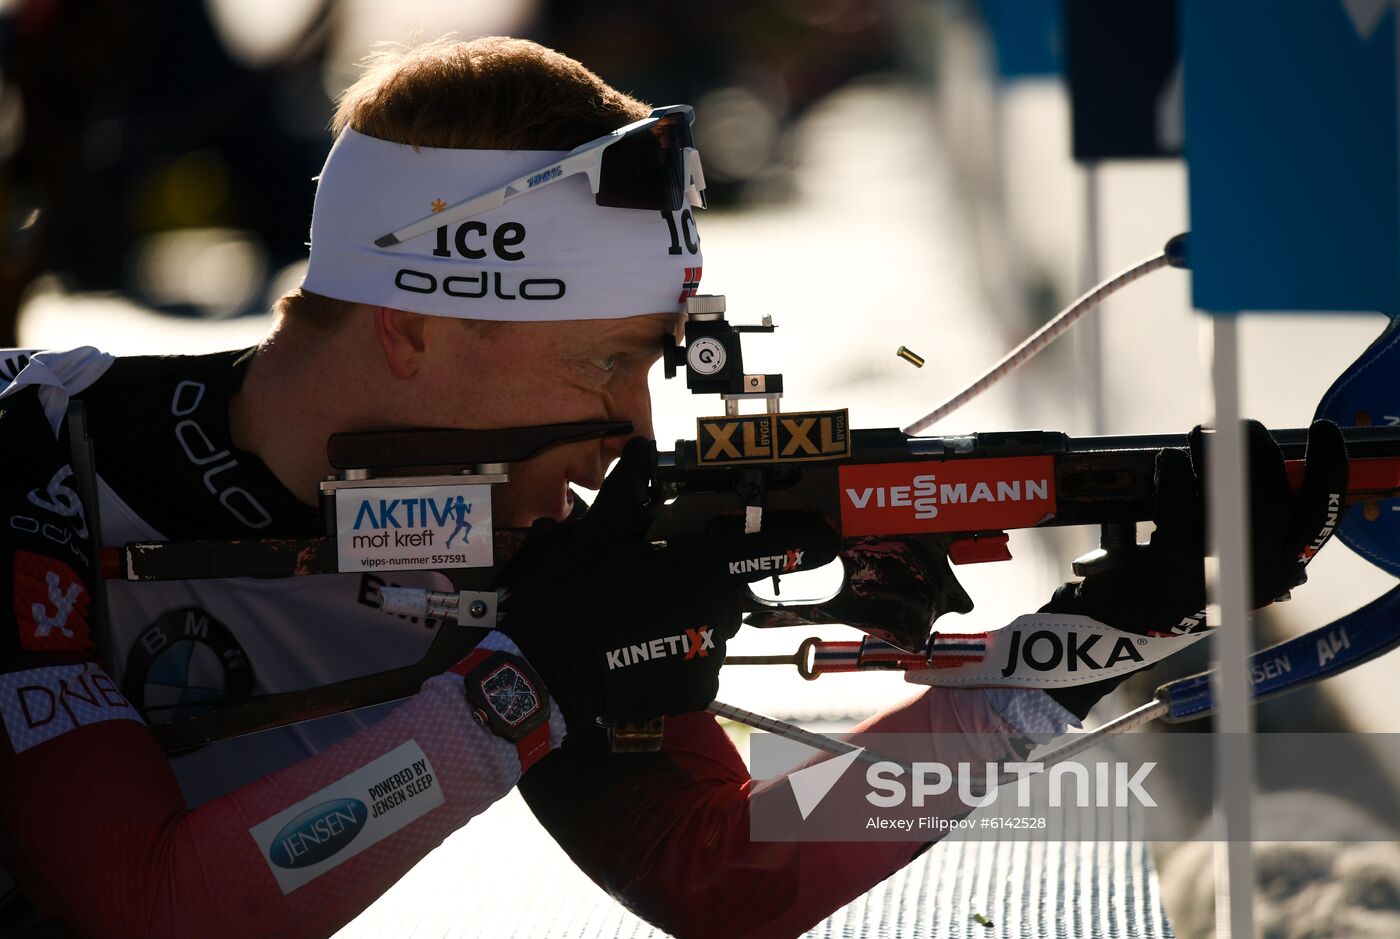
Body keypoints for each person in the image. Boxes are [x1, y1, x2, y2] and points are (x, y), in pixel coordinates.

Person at [0, 36, 1347, 939]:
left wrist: (1057, 668)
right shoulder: (33, 469)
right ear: (414, 328)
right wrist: (521, 694)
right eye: (601, 364)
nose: (628, 423)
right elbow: (147, 906)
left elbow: (723, 872)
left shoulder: (520, 539)